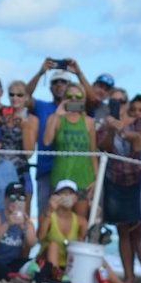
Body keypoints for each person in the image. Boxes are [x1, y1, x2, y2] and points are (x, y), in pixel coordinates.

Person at [98, 93, 141, 283]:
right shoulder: (106, 123)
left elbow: (140, 145)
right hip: (115, 180)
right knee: (123, 231)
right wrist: (111, 130)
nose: (119, 105)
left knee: (139, 232)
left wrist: (125, 130)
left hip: (137, 180)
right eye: (114, 101)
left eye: (122, 101)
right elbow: (104, 147)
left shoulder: (139, 122)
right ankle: (129, 276)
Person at [43, 83, 98, 220]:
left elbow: (92, 152)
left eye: (78, 96)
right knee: (57, 222)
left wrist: (96, 179)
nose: (73, 99)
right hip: (61, 177)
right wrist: (57, 114)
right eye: (69, 96)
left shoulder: (89, 122)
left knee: (80, 224)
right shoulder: (55, 118)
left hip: (83, 178)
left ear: (83, 100)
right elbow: (46, 141)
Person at [25, 62, 72, 215]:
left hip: (69, 172)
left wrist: (78, 73)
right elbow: (24, 96)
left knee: (67, 218)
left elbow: (93, 100)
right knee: (45, 215)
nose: (59, 85)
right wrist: (41, 72)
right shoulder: (42, 106)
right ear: (50, 87)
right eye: (55, 82)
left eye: (63, 82)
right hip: (45, 170)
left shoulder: (78, 110)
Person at [0, 182, 38, 281]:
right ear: (5, 199)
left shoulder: (26, 221)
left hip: (12, 262)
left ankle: (15, 276)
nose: (16, 201)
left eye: (21, 198)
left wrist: (25, 227)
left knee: (36, 265)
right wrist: (8, 224)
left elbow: (32, 243)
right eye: (13, 197)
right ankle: (12, 276)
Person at [35, 179, 85, 283]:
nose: (67, 197)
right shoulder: (48, 216)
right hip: (46, 262)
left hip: (68, 264)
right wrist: (49, 211)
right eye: (63, 193)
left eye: (70, 193)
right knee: (53, 244)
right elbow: (39, 237)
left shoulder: (81, 221)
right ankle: (55, 275)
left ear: (75, 198)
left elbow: (85, 246)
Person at [0, 80, 39, 197]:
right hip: (1, 169)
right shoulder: (1, 114)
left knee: (22, 210)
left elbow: (29, 153)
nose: (15, 98)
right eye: (12, 94)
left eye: (19, 95)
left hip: (21, 170)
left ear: (26, 97)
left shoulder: (32, 119)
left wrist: (24, 127)